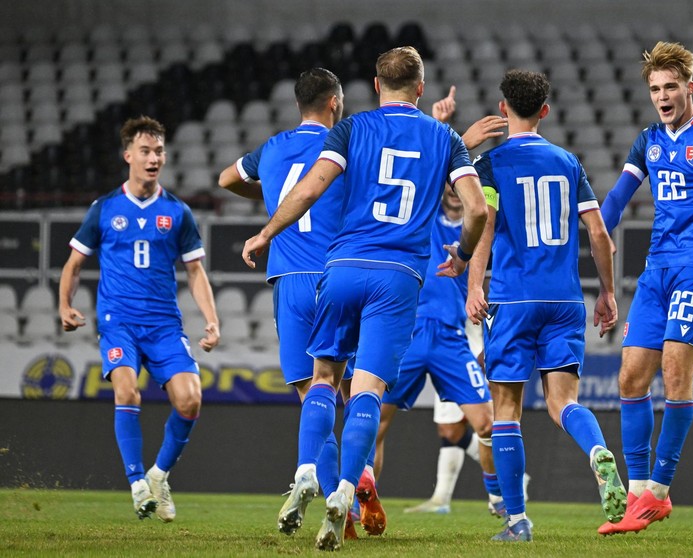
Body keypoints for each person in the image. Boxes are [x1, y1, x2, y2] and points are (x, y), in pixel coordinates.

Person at [241, 46, 487, 552]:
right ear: (420, 88)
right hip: (397, 279)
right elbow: (478, 210)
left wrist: (267, 233)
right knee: (368, 391)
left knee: (324, 381)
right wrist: (461, 255)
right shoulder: (444, 139)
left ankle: (308, 471)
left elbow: (310, 189)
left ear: (376, 87)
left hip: (343, 268)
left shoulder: (351, 129)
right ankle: (348, 491)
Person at [596, 41, 693, 535]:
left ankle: (658, 492)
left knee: (673, 373)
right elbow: (618, 199)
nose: (662, 96)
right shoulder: (648, 141)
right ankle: (638, 492)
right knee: (630, 377)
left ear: (689, 87)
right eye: (655, 89)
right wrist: (593, 233)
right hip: (656, 271)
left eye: (670, 87)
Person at [467, 69, 625, 543]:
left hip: (514, 298)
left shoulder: (491, 165)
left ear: (503, 110)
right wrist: (609, 293)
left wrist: (475, 285)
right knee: (564, 402)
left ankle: (517, 521)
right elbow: (600, 234)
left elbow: (485, 228)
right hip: (564, 299)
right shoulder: (569, 162)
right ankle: (597, 449)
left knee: (506, 410)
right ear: (545, 111)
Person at [216, 67, 357, 540]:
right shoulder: (346, 142)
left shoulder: (272, 148)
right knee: (337, 388)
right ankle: (341, 495)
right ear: (334, 102)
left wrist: (273, 194)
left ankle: (307, 475)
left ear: (299, 104)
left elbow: (224, 178)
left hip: (289, 278)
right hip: (336, 274)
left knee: (313, 394)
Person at [58, 115, 221, 522]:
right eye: (145, 151)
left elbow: (196, 271)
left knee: (191, 399)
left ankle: (158, 476)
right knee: (126, 391)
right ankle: (136, 484)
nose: (153, 158)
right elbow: (74, 264)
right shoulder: (105, 209)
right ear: (128, 155)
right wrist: (64, 304)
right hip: (119, 322)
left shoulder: (177, 212)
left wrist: (212, 320)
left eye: (159, 151)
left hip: (165, 324)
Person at [374, 88, 510, 517]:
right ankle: (360, 502)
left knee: (486, 424)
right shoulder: (425, 215)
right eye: (449, 181)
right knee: (374, 422)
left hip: (452, 337)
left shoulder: (481, 225)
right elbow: (422, 171)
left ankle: (497, 498)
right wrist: (444, 128)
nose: (453, 189)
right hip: (410, 333)